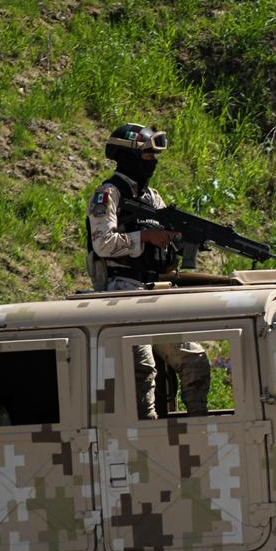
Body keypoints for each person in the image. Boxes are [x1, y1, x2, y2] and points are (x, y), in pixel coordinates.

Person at [86, 123, 210, 418]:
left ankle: (199, 426)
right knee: (142, 369)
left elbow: (168, 239)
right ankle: (148, 433)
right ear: (127, 157)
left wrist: (187, 239)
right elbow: (103, 244)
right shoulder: (107, 196)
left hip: (156, 292)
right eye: (146, 157)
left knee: (196, 361)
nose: (153, 163)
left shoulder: (152, 198)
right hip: (121, 293)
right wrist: (143, 238)